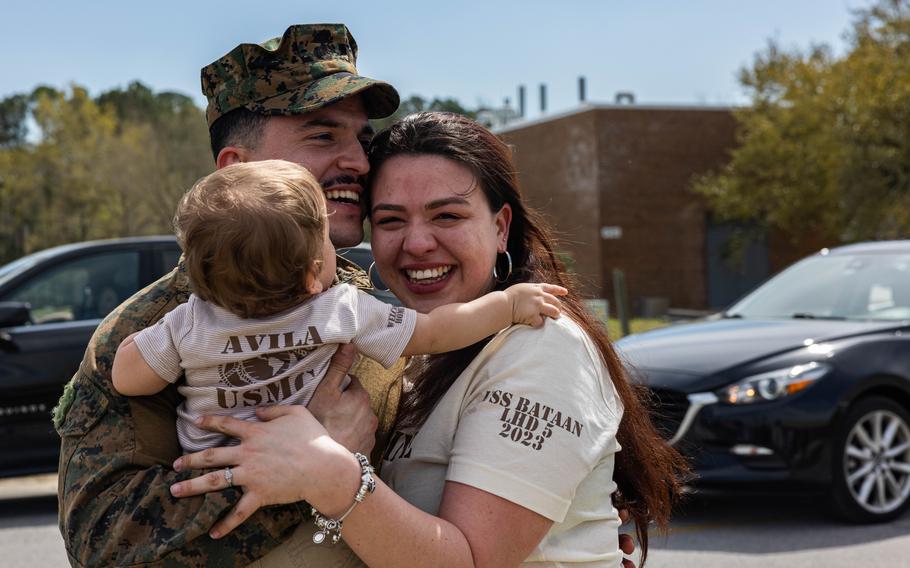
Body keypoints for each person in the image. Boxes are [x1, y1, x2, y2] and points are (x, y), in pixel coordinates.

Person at [168, 112, 689, 567]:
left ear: (501, 227)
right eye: (391, 220)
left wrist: (330, 472)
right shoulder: (412, 349)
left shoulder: (538, 345)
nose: (417, 243)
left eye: (448, 215)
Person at [54, 24, 407, 567]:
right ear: (237, 171)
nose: (359, 162)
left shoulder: (363, 297)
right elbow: (106, 541)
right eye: (322, 136)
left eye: (361, 139)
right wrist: (314, 461)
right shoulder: (153, 331)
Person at [111, 159, 566, 453]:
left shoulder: (189, 322)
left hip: (214, 475)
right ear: (312, 275)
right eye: (326, 240)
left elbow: (128, 379)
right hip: (316, 484)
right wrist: (506, 306)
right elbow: (435, 331)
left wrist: (135, 343)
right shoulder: (340, 309)